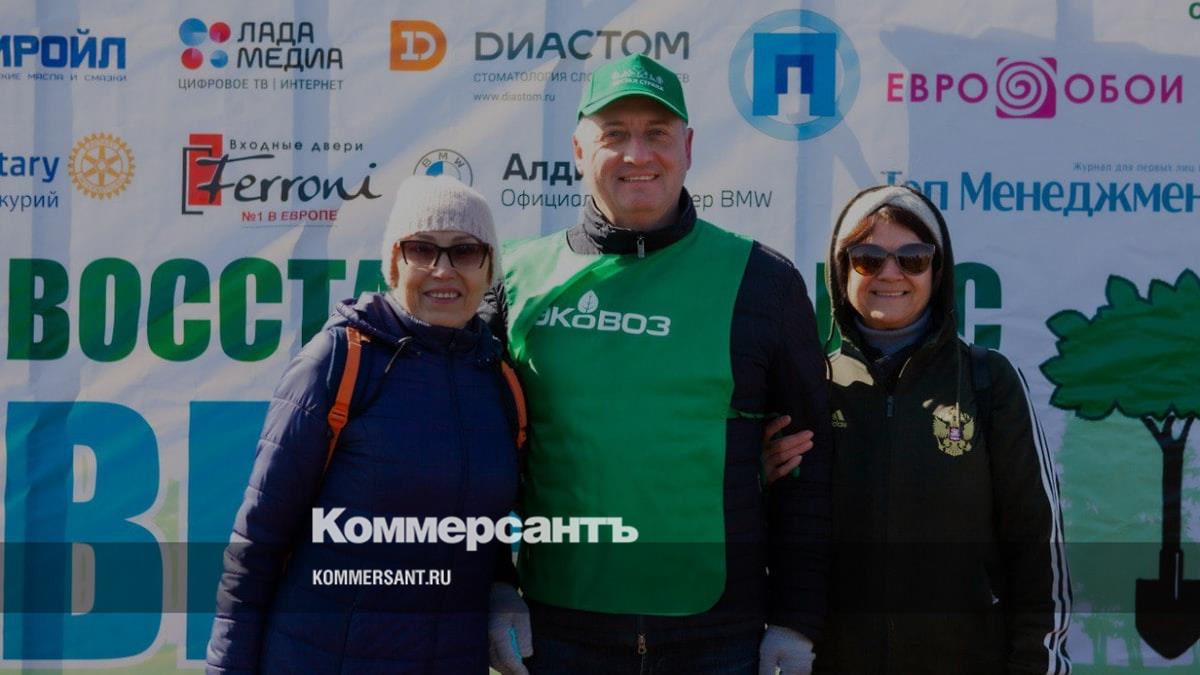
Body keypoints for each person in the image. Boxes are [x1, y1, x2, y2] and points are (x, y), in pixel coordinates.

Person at [483, 53, 832, 675]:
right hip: (557, 632)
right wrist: (495, 583)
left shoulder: (763, 281)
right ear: (579, 150)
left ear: (688, 147)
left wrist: (795, 619)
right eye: (614, 134)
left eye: (657, 134)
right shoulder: (513, 279)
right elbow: (471, 455)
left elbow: (809, 464)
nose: (637, 154)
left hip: (718, 636)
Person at [206, 175, 521, 674]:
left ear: (489, 269)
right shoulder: (339, 360)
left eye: (465, 251)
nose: (443, 269)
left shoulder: (500, 380)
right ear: (395, 263)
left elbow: (483, 525)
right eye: (422, 249)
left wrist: (502, 585)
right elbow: (257, 545)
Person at [765, 184, 1072, 673]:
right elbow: (770, 537)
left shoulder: (988, 380)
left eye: (913, 258)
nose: (890, 274)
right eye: (867, 258)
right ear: (842, 271)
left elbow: (1038, 545)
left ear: (937, 271)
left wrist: (1040, 662)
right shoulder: (809, 388)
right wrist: (757, 478)